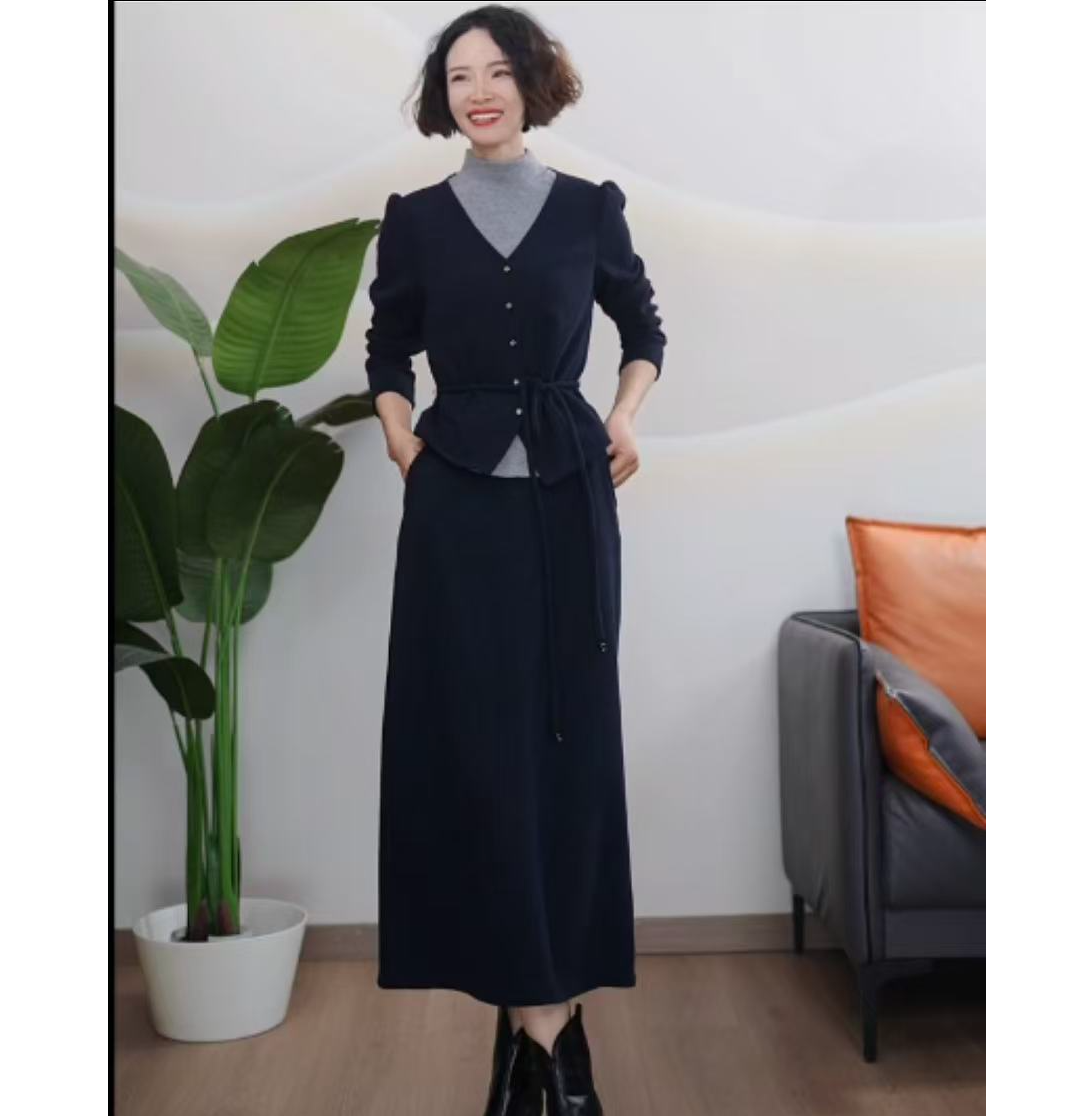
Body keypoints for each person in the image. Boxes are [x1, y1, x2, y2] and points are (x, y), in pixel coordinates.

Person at [365, 6, 666, 1113]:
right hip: (455, 507)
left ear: (534, 84)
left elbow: (643, 329)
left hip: (568, 500)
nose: (480, 91)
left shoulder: (590, 209)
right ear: (441, 98)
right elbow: (387, 346)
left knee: (563, 742)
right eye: (459, 76)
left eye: (498, 71)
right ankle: (545, 1034)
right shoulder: (414, 219)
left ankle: (539, 1036)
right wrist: (402, 435)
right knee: (474, 747)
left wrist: (624, 416)